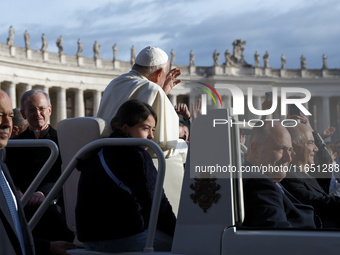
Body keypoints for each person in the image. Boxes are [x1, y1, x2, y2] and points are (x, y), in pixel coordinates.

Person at [76, 100, 176, 253]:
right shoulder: (137, 155)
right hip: (122, 240)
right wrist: (179, 233)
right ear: (125, 128)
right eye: (145, 128)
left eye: (153, 130)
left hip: (89, 241)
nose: (151, 136)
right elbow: (158, 205)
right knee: (186, 246)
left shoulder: (97, 150)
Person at [0, 89, 75, 255]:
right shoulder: (12, 143)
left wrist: (44, 192)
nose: (38, 114)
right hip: (22, 205)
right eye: (32, 110)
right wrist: (16, 190)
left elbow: (64, 174)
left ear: (50, 110)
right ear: (23, 114)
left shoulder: (61, 140)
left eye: (41, 109)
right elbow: (9, 172)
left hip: (52, 206)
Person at [242, 122, 319, 228]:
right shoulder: (259, 184)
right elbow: (280, 237)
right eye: (280, 149)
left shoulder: (267, 178)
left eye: (290, 150)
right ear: (255, 150)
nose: (288, 158)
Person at [281, 123, 340, 228]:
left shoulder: (310, 172)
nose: (316, 149)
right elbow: (316, 203)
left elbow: (325, 160)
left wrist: (311, 129)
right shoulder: (288, 176)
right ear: (293, 148)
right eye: (311, 142)